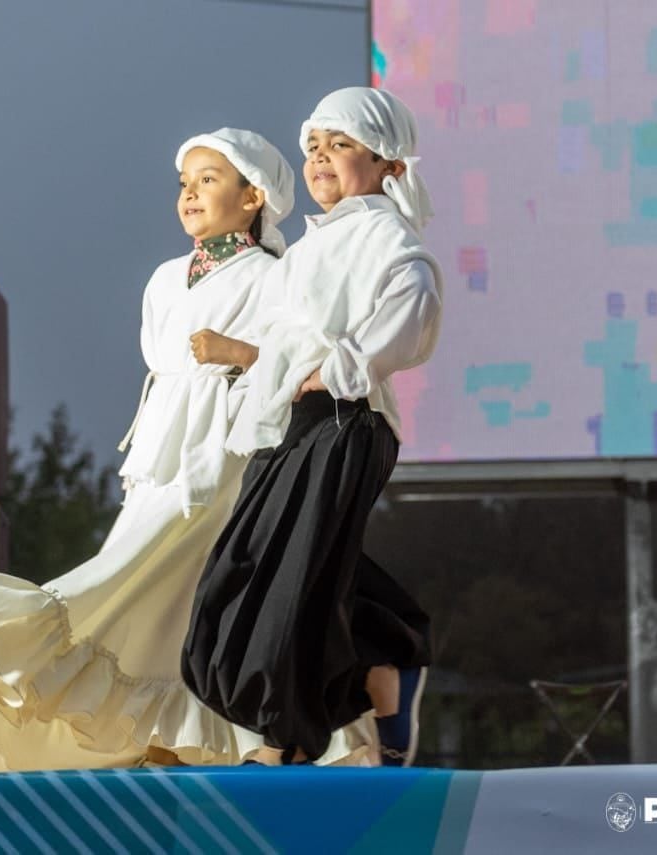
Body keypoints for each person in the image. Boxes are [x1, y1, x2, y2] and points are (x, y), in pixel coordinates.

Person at [0, 128, 374, 769]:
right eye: (184, 183)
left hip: (227, 446)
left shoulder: (276, 277)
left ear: (253, 198)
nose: (190, 193)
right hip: (162, 453)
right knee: (164, 596)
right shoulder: (166, 279)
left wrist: (236, 355)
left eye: (209, 180)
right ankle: (166, 735)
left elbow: (295, 360)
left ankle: (232, 722)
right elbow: (163, 367)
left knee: (188, 579)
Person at [181, 87, 443, 767]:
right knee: (253, 570)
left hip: (341, 421)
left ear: (387, 163)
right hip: (292, 424)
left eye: (342, 144)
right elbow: (281, 342)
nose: (322, 158)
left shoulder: (385, 234)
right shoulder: (312, 243)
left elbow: (415, 302)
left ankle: (285, 738)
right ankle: (379, 661)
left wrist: (338, 371)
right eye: (315, 146)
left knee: (286, 579)